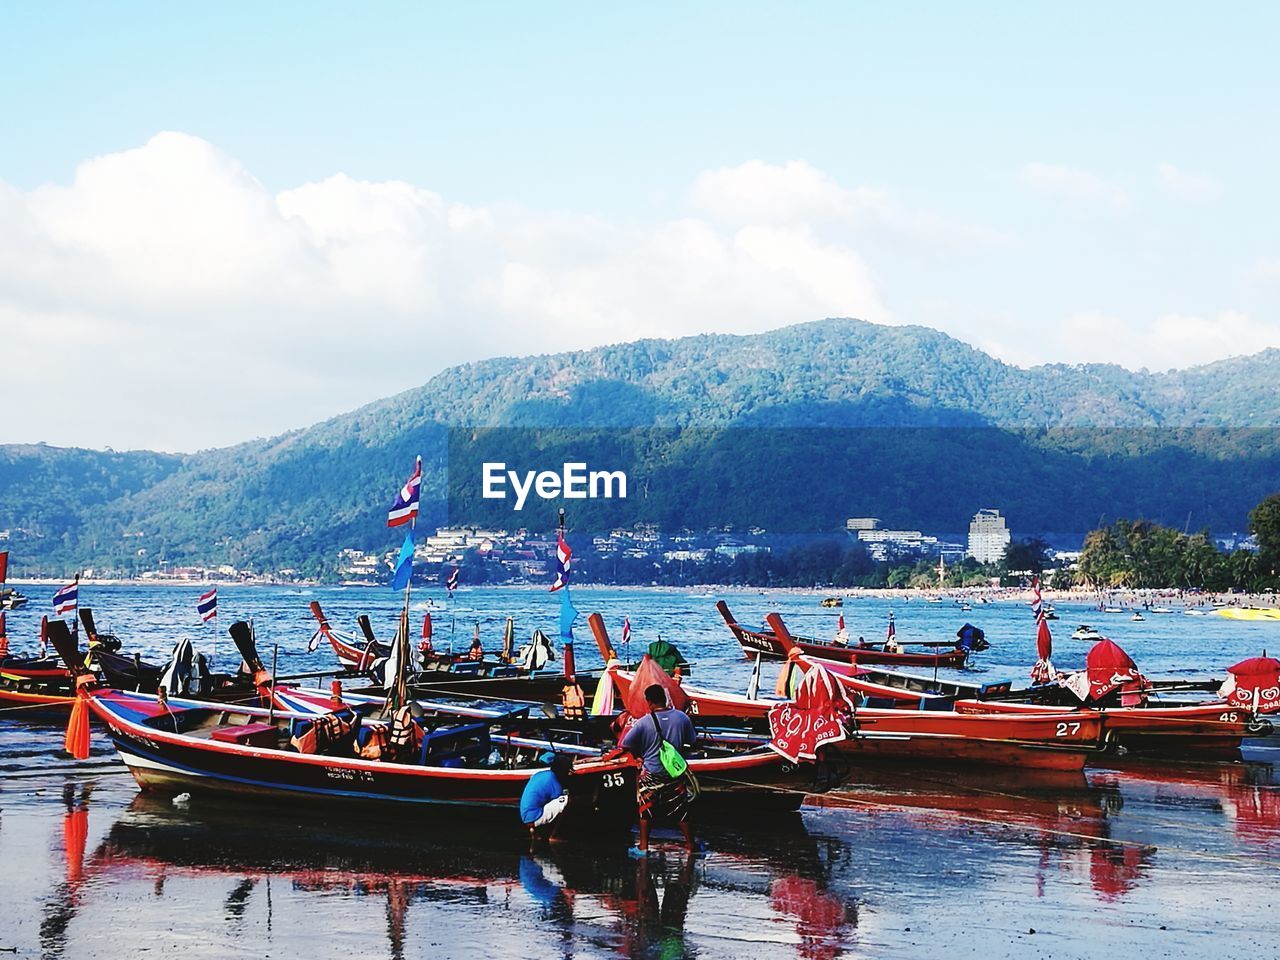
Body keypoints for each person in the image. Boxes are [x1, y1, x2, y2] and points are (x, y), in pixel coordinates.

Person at [621, 683, 698, 857]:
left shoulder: (643, 723)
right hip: (674, 774)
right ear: (664, 698)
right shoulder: (682, 718)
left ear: (648, 701)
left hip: (651, 774)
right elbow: (692, 741)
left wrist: (639, 756)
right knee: (682, 811)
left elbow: (626, 744)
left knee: (646, 811)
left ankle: (643, 847)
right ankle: (691, 845)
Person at [520, 752, 575, 844]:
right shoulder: (554, 781)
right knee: (567, 801)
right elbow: (558, 800)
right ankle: (554, 835)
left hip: (525, 815)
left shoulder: (540, 774)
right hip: (533, 817)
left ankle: (534, 830)